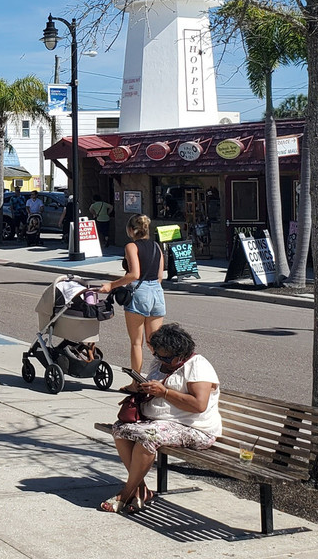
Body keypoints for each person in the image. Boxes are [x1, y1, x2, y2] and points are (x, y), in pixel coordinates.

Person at [101, 323, 221, 514]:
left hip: (193, 427)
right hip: (159, 422)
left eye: (165, 357)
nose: (159, 359)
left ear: (180, 354)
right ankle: (141, 490)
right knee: (120, 429)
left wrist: (164, 392)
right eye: (156, 354)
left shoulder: (198, 366)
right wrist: (143, 389)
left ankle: (126, 492)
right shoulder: (160, 362)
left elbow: (199, 405)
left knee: (147, 437)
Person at [99, 213, 165, 373]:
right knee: (155, 343)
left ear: (130, 230)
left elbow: (134, 274)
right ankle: (161, 378)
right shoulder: (157, 246)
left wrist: (111, 285)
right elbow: (160, 276)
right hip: (157, 293)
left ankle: (136, 384)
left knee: (137, 343)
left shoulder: (131, 247)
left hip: (139, 293)